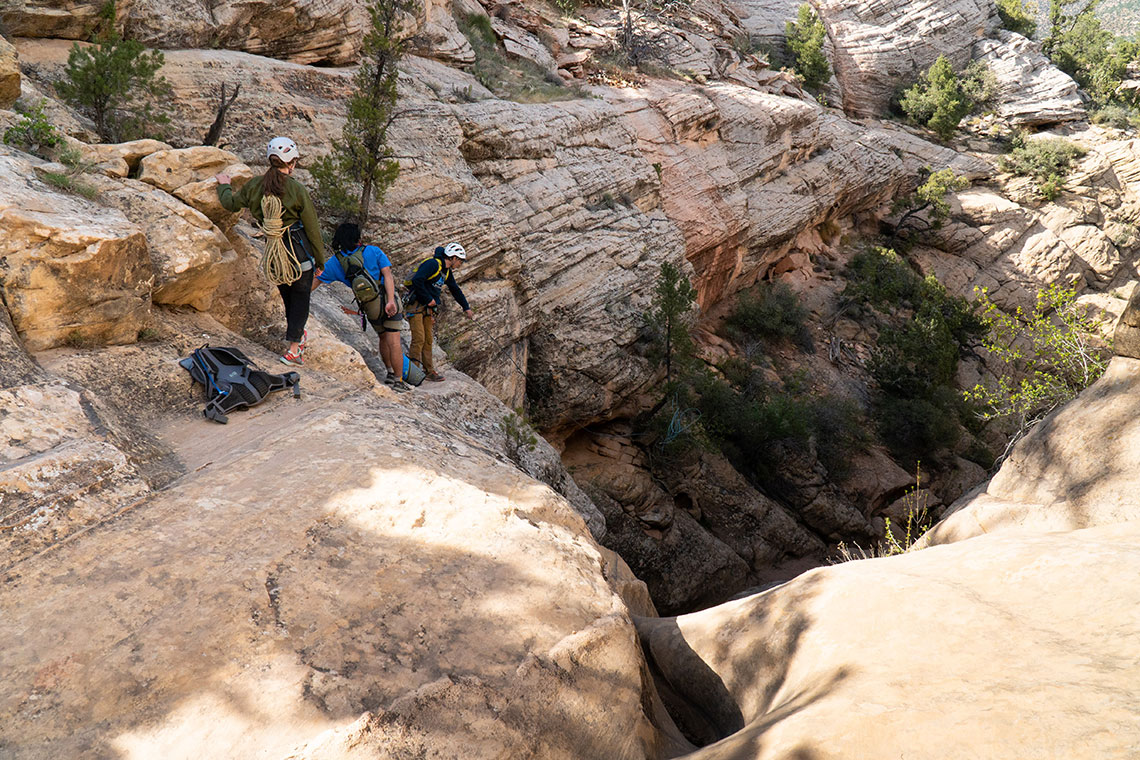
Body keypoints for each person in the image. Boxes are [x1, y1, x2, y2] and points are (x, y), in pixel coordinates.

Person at [215, 137, 326, 367]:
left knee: (289, 299)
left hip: (276, 255)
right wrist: (320, 259)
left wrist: (224, 184)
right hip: (298, 253)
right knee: (300, 299)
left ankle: (296, 339)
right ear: (292, 163)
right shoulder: (296, 189)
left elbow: (230, 204)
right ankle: (294, 349)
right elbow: (312, 226)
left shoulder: (255, 186)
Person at [315, 223, 412, 392]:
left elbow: (315, 282)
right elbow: (388, 276)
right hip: (388, 302)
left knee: (382, 337)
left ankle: (389, 372)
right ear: (357, 238)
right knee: (394, 342)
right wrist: (390, 300)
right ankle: (398, 380)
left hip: (370, 306)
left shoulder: (335, 262)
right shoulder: (373, 251)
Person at [405, 242, 474, 382]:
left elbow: (455, 289)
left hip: (428, 308)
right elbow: (417, 280)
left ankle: (429, 371)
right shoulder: (433, 264)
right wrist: (428, 298)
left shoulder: (446, 271)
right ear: (453, 258)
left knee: (428, 340)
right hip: (416, 305)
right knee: (419, 338)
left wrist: (466, 307)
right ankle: (413, 372)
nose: (460, 264)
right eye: (460, 260)